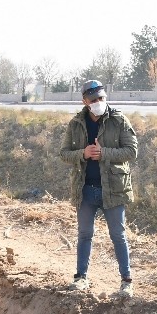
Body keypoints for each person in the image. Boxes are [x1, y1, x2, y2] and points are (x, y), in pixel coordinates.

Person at [60, 80, 138, 297]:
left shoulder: (119, 120)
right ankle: (81, 277)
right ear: (84, 101)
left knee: (118, 235)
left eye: (101, 98)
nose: (99, 103)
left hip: (113, 189)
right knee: (85, 234)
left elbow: (131, 151)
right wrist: (83, 154)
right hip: (85, 190)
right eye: (93, 100)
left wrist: (105, 153)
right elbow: (64, 153)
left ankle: (126, 281)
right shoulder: (75, 124)